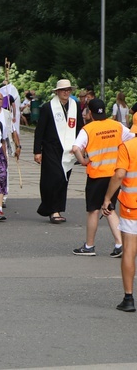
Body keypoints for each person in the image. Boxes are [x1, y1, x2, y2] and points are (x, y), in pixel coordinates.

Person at [71, 99, 133, 256]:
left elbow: (76, 148)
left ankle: (89, 246)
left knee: (93, 210)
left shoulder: (88, 129)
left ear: (90, 113)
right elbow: (131, 137)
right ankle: (120, 244)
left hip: (97, 175)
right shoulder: (117, 126)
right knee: (109, 208)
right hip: (114, 175)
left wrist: (83, 161)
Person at [34, 79, 84, 223]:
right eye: (63, 90)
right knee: (53, 178)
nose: (66, 92)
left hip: (69, 150)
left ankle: (57, 209)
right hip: (51, 148)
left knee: (63, 179)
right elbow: (40, 131)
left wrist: (82, 145)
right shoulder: (48, 107)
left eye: (68, 90)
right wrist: (37, 151)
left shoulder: (75, 106)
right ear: (57, 92)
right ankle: (51, 209)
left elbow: (79, 126)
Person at [102, 134, 137, 312]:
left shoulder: (128, 146)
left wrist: (108, 198)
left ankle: (129, 298)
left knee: (129, 251)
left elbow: (120, 174)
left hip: (132, 207)